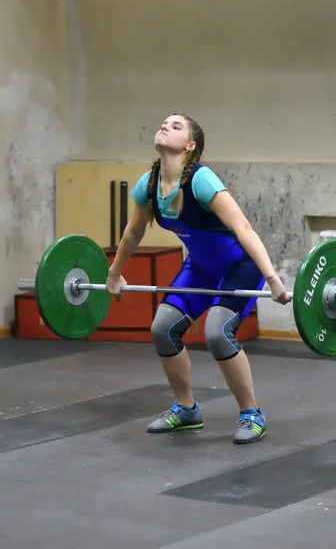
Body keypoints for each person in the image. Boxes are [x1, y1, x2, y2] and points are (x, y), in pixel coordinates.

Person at [106, 113, 291, 444]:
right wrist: (114, 273)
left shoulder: (201, 180)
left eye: (176, 126)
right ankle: (187, 408)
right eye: (164, 122)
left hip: (240, 266)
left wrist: (272, 277)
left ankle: (251, 412)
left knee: (218, 333)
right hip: (202, 267)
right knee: (162, 328)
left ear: (190, 146)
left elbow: (243, 228)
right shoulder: (149, 184)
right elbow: (133, 231)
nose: (165, 126)